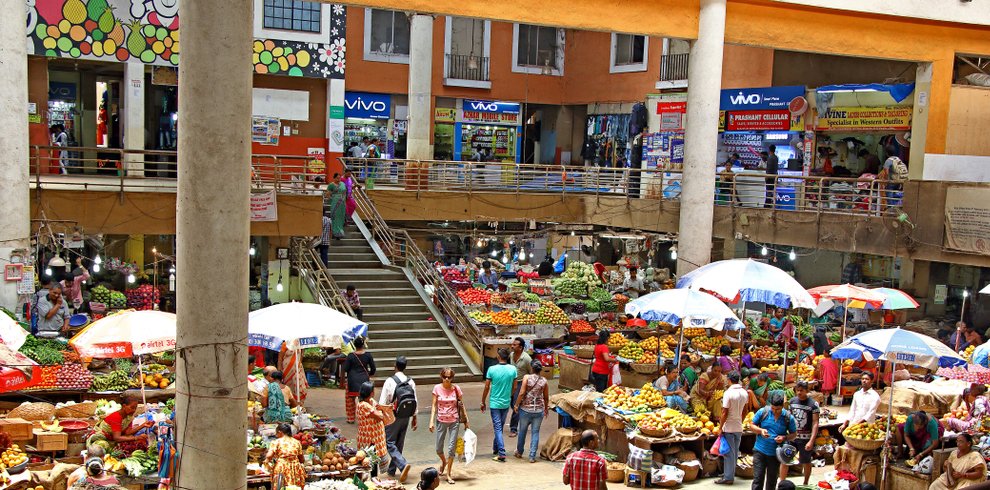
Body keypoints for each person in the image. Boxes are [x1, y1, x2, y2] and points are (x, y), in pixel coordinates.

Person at [380, 356, 416, 483]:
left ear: (395, 366)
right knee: (399, 443)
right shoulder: (410, 381)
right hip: (406, 415)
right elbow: (414, 400)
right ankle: (391, 471)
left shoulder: (390, 381)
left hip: (392, 415)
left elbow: (383, 401)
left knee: (389, 442)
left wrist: (381, 417)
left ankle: (402, 464)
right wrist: (414, 417)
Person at [751, 392, 797, 490]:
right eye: (773, 408)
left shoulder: (788, 417)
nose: (775, 411)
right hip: (760, 451)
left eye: (778, 409)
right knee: (758, 480)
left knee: (772, 481)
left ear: (783, 406)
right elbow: (752, 425)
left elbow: (794, 434)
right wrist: (761, 430)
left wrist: (784, 438)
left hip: (775, 454)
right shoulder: (763, 412)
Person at [430, 367, 468, 485]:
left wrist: (466, 420)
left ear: (452, 378)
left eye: (449, 377)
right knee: (438, 448)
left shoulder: (456, 389)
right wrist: (431, 421)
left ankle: (448, 474)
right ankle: (444, 461)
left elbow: (462, 404)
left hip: (454, 421)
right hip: (441, 420)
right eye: (445, 377)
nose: (447, 379)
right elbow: (434, 406)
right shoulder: (437, 388)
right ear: (441, 376)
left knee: (451, 448)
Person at [481, 348, 517, 463]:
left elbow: (487, 387)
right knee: (499, 426)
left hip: (494, 403)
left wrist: (483, 401)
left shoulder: (491, 369)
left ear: (498, 357)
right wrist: (509, 395)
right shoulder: (513, 369)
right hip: (505, 402)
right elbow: (515, 387)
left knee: (497, 427)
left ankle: (501, 452)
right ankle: (495, 448)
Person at [781, 381, 820, 485]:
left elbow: (815, 423)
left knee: (806, 462)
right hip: (792, 438)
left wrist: (811, 441)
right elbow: (788, 418)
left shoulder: (813, 404)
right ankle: (782, 483)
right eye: (797, 390)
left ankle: (806, 483)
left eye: (801, 390)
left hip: (805, 439)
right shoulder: (792, 401)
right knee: (784, 459)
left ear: (807, 391)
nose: (799, 392)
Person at [717, 370, 749, 485]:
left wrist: (720, 427)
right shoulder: (744, 393)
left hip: (729, 426)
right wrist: (740, 420)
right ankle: (729, 473)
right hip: (738, 426)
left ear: (729, 380)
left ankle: (728, 477)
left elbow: (724, 412)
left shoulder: (728, 393)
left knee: (728, 453)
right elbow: (745, 411)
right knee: (735, 451)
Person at [87, 394, 152, 450]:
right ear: (124, 406)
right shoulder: (116, 417)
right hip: (103, 438)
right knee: (103, 446)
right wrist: (136, 438)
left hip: (114, 438)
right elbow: (117, 438)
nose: (134, 410)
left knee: (137, 441)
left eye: (135, 408)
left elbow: (127, 432)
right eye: (132, 408)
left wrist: (143, 425)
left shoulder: (129, 417)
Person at [514, 359, 549, 463]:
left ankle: (519, 452)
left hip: (525, 409)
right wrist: (546, 408)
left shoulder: (526, 377)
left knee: (522, 431)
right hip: (539, 411)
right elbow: (546, 397)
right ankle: (532, 456)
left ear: (532, 368)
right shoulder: (544, 381)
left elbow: (521, 393)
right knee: (535, 432)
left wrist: (516, 404)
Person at [342, 337, 376, 423]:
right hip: (364, 380)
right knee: (365, 400)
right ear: (363, 345)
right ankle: (366, 417)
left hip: (352, 381)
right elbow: (373, 368)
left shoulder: (351, 356)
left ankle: (350, 418)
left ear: (354, 345)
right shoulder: (368, 355)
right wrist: (369, 374)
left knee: (350, 400)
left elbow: (345, 368)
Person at [356, 381, 390, 465]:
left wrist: (379, 410)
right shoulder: (364, 405)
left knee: (371, 461)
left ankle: (373, 477)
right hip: (369, 438)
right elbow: (380, 416)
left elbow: (378, 411)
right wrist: (380, 410)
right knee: (368, 462)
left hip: (372, 437)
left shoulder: (370, 401)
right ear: (371, 393)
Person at [266, 423, 305, 490]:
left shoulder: (276, 442)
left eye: (276, 434)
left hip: (282, 468)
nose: (276, 435)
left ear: (279, 432)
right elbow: (302, 459)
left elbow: (269, 456)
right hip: (295, 468)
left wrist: (267, 459)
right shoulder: (297, 442)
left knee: (281, 487)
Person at [509, 337, 533, 438]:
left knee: (516, 405)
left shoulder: (527, 359)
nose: (512, 346)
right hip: (511, 382)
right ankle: (526, 417)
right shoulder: (511, 355)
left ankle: (513, 428)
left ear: (521, 347)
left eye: (515, 345)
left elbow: (531, 373)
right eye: (512, 344)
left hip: (521, 383)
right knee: (511, 403)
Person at [326, 173, 347, 239]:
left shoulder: (343, 184)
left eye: (339, 178)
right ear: (334, 178)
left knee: (341, 217)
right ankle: (335, 232)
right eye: (337, 178)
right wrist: (333, 198)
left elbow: (344, 193)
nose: (338, 179)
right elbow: (328, 195)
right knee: (335, 217)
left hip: (342, 203)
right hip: (335, 203)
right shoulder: (331, 185)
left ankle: (340, 232)